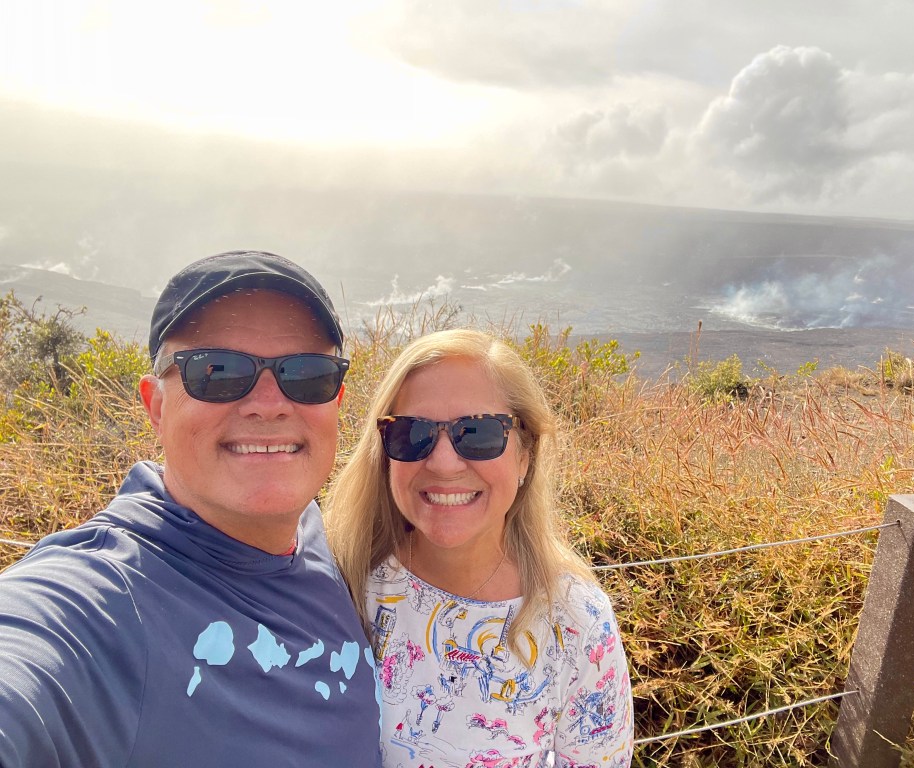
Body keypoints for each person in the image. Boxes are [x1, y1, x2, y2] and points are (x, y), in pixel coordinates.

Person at [0, 251, 382, 767]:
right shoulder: (103, 604)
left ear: (335, 402)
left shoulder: (317, 531)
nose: (269, 404)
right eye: (217, 372)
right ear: (156, 406)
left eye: (306, 374)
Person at [325, 329, 633, 768]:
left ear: (525, 455)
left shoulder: (576, 624)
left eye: (478, 433)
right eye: (412, 433)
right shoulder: (347, 583)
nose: (443, 462)